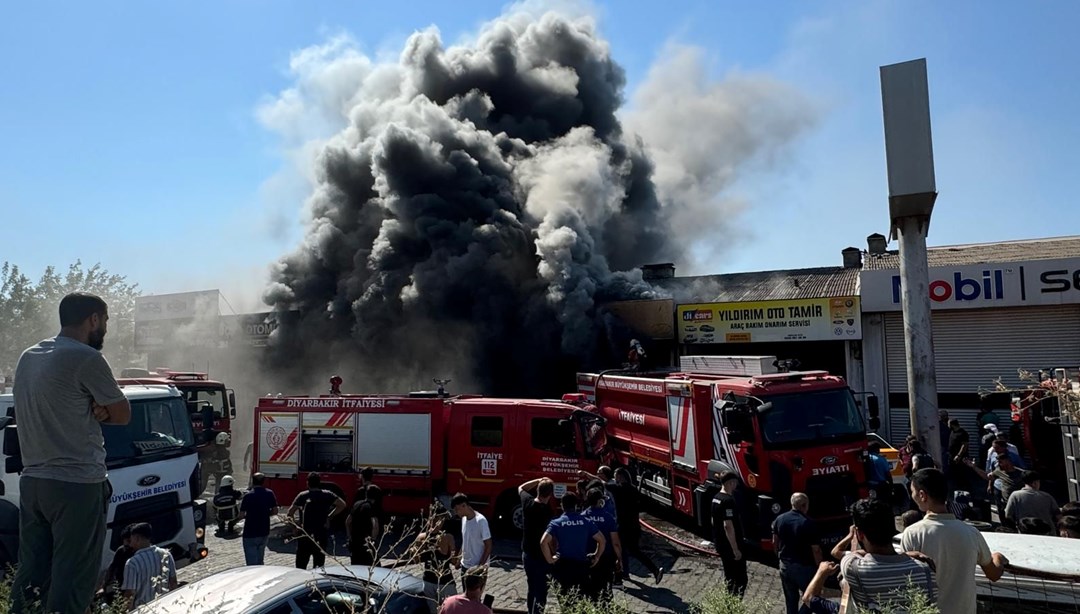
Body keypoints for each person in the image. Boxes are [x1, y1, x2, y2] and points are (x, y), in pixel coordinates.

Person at [10, 292, 133, 614]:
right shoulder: (86, 358)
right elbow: (123, 414)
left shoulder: (29, 355)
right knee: (73, 579)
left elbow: (57, 403)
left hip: (33, 482)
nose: (105, 329)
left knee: (32, 576)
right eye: (104, 321)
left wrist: (95, 407)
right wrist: (103, 410)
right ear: (93, 319)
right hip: (76, 485)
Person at [799, 498, 936, 614]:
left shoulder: (853, 567)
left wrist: (822, 570)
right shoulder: (925, 570)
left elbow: (846, 553)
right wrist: (906, 555)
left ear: (859, 534)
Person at [902, 468, 1008, 614]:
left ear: (922, 495)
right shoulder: (971, 533)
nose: (912, 496)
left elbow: (905, 580)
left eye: (912, 491)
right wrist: (998, 557)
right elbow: (994, 574)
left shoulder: (912, 534)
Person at [541, 492, 605, 601]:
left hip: (563, 566)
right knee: (581, 600)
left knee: (565, 600)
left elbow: (543, 542)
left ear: (562, 505)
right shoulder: (586, 521)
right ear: (576, 505)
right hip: (581, 566)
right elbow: (602, 540)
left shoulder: (556, 523)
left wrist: (550, 559)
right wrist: (596, 556)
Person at [608, 467, 663, 584]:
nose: (614, 478)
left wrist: (586, 474)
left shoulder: (618, 489)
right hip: (634, 526)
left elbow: (602, 483)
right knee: (634, 551)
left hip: (623, 527)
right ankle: (655, 570)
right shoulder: (633, 490)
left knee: (617, 550)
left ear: (620, 476)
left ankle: (619, 577)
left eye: (615, 475)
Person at [772, 493, 823, 614]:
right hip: (804, 567)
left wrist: (778, 556)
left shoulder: (780, 519)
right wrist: (821, 568)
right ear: (804, 505)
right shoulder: (808, 523)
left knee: (790, 600)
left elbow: (774, 541)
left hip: (785, 565)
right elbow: (816, 549)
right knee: (812, 598)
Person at [287, 473, 347, 569]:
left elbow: (290, 513)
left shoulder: (302, 496)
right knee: (319, 566)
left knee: (300, 566)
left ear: (307, 483)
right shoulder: (327, 494)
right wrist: (329, 517)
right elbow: (342, 505)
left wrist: (294, 528)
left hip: (305, 534)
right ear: (320, 483)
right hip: (321, 534)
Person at [518, 477, 554, 614]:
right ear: (550, 495)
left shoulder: (527, 503)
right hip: (542, 556)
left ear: (537, 490)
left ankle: (529, 611)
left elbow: (521, 487)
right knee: (541, 591)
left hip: (527, 554)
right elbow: (549, 539)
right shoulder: (548, 512)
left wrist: (538, 479)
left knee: (531, 587)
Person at [121, 522, 178, 610]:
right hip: (165, 607)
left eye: (131, 540)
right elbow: (173, 583)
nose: (130, 544)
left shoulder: (132, 563)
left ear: (137, 538)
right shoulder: (166, 554)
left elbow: (130, 594)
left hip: (143, 610)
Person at [410, 511, 457, 614]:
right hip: (445, 581)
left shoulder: (421, 537)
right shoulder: (448, 538)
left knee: (433, 611)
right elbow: (454, 561)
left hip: (429, 580)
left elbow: (415, 560)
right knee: (451, 610)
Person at [711, 472, 748, 598]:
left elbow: (713, 521)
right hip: (729, 545)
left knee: (729, 575)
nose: (736, 485)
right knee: (740, 579)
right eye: (735, 482)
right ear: (730, 482)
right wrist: (735, 549)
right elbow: (728, 526)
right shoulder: (728, 501)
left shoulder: (716, 497)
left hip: (720, 543)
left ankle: (728, 604)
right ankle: (734, 606)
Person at [582, 487, 622, 603]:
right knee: (606, 588)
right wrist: (619, 559)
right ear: (600, 501)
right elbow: (615, 542)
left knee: (590, 588)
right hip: (606, 557)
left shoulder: (583, 516)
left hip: (589, 557)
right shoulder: (608, 517)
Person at [452, 492, 492, 590]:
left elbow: (488, 545)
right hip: (465, 565)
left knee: (475, 597)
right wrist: (459, 559)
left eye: (457, 509)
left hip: (477, 567)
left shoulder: (481, 521)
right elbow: (465, 541)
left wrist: (480, 567)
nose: (456, 513)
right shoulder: (464, 520)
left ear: (464, 505)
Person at [966, 451, 1024, 519]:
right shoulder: (999, 471)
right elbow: (987, 477)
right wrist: (974, 467)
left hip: (1018, 505)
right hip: (1006, 503)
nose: (998, 464)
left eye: (1000, 462)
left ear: (1008, 461)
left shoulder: (1021, 473)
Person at [240, 472, 278, 565]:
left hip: (250, 532)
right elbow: (275, 511)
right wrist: (265, 514)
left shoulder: (248, 496)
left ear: (253, 482)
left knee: (251, 564)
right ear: (263, 482)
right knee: (260, 559)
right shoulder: (269, 493)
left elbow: (241, 515)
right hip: (264, 531)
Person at [97, 524, 136, 605]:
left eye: (129, 541)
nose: (127, 545)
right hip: (120, 587)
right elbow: (112, 568)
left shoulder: (138, 554)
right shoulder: (121, 551)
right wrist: (104, 586)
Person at [347, 484, 380, 565]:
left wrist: (349, 536)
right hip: (366, 543)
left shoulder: (357, 504)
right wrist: (373, 540)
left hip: (355, 542)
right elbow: (375, 525)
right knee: (374, 566)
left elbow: (348, 521)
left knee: (356, 566)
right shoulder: (372, 507)